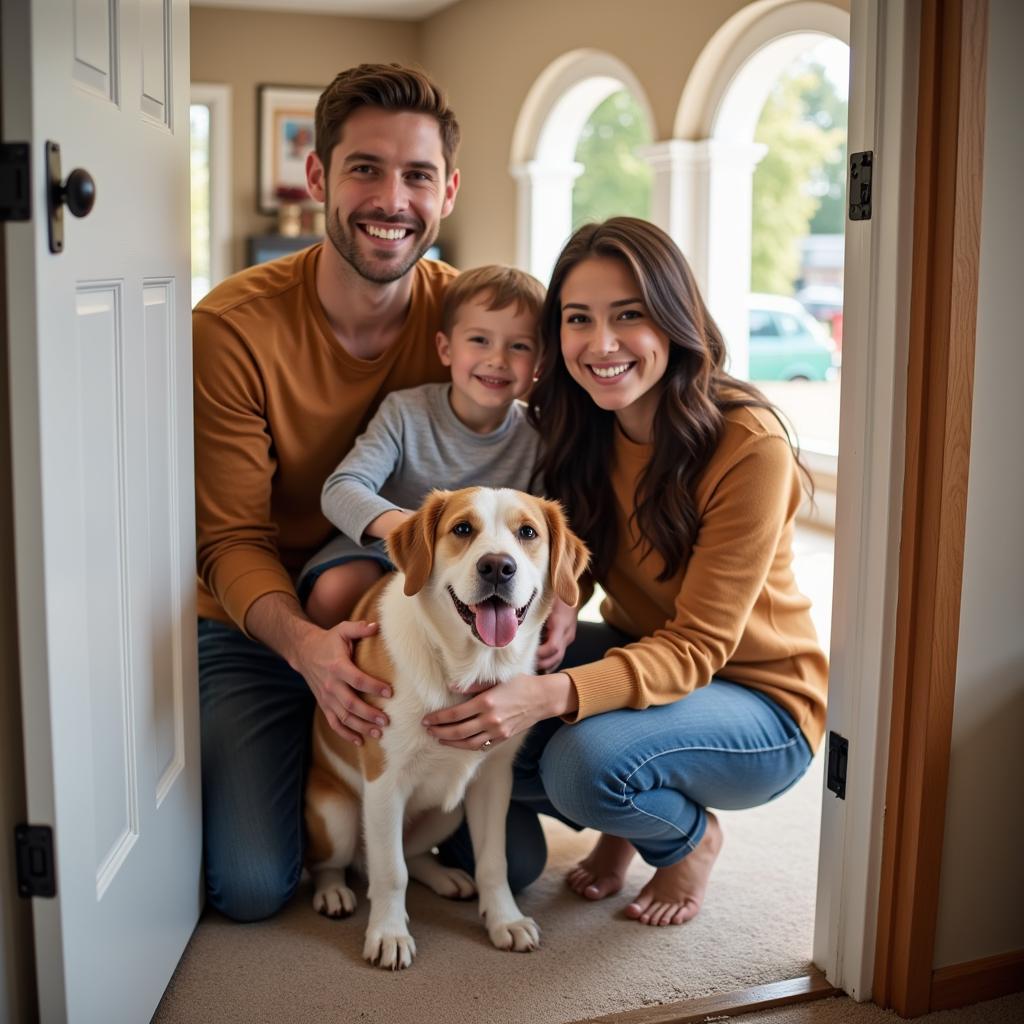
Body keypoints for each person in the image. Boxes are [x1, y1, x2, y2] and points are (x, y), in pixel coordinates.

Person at [422, 217, 829, 928]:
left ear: (674, 319)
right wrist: (551, 612)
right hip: (640, 656)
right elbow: (565, 557)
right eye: (578, 320)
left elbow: (701, 646)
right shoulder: (582, 424)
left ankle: (689, 840)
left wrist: (550, 692)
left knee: (578, 763)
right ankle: (626, 819)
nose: (601, 345)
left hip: (760, 697)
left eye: (629, 316)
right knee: (464, 701)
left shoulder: (747, 444)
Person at [193, 63, 486, 922]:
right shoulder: (232, 328)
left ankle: (351, 780)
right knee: (250, 886)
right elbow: (229, 541)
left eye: (417, 175)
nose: (391, 199)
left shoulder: (469, 323)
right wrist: (308, 651)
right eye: (365, 168)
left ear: (448, 190)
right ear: (317, 176)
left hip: (412, 635)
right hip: (260, 627)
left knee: (519, 852)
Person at [298, 264, 547, 632]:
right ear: (445, 349)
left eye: (519, 346)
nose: (498, 359)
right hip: (383, 551)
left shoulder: (537, 437)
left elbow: (545, 536)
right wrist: (417, 533)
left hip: (489, 564)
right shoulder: (406, 412)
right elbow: (341, 489)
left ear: (539, 365)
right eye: (480, 340)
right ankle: (332, 673)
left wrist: (561, 607)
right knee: (334, 591)